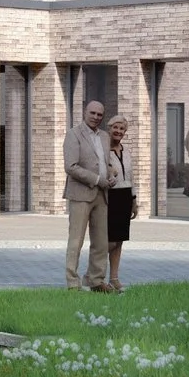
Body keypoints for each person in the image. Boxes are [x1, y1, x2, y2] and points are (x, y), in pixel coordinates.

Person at [63, 99, 114, 290]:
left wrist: (110, 175)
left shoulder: (104, 137)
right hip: (80, 194)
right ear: (85, 112)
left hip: (102, 194)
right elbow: (71, 166)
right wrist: (97, 179)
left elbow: (104, 163)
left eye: (99, 114)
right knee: (76, 240)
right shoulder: (73, 134)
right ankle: (72, 283)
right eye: (92, 113)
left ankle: (96, 280)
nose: (96, 117)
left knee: (101, 242)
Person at [101, 112, 139, 292]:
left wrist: (134, 200)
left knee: (120, 240)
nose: (118, 131)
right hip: (110, 197)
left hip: (125, 197)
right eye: (115, 127)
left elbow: (131, 177)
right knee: (110, 240)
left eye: (122, 128)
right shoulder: (102, 151)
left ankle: (114, 278)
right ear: (109, 129)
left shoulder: (126, 151)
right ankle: (97, 275)